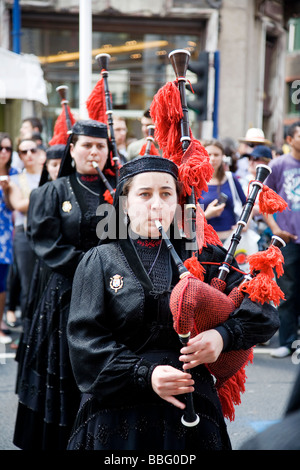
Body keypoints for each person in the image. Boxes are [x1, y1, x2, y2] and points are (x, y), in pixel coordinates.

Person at [66, 154, 279, 451]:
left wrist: (222, 336)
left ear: (178, 201)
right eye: (144, 194)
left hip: (193, 410)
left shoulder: (206, 257)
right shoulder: (100, 260)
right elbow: (85, 344)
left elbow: (263, 310)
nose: (157, 204)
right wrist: (145, 374)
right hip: (116, 412)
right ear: (125, 202)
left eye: (166, 193)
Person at [13, 119, 117, 450]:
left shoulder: (120, 189)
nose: (94, 151)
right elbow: (47, 245)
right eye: (87, 145)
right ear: (72, 149)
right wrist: (94, 268)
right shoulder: (52, 192)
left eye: (100, 146)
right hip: (64, 296)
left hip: (113, 297)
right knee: (65, 374)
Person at [263, 120, 300, 358]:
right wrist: (275, 229)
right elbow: (264, 201)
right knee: (288, 292)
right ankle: (287, 342)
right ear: (289, 140)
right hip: (288, 241)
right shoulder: (278, 165)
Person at [201, 139, 247, 244]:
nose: (212, 158)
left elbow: (246, 204)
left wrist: (245, 222)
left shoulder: (231, 178)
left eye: (216, 155)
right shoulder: (196, 183)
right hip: (205, 242)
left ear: (223, 157)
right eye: (209, 154)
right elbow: (185, 219)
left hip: (231, 240)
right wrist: (206, 215)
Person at [0, 133, 19, 344]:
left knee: (1, 282)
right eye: (1, 148)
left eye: (8, 148)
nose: (4, 152)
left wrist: (6, 192)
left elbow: (12, 206)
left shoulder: (14, 174)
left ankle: (0, 322)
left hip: (4, 235)